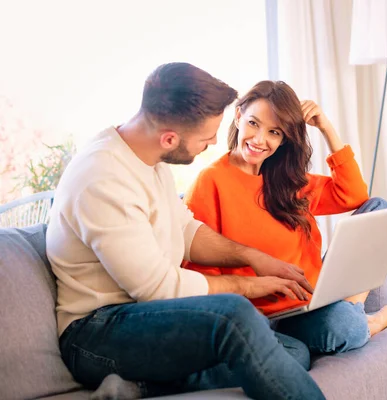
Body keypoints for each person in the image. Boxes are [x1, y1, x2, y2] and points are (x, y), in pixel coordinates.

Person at [46, 63, 325, 400]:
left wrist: (253, 257)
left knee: (292, 353)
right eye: (206, 138)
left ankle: (137, 387)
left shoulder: (147, 157)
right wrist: (248, 285)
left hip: (143, 316)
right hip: (96, 333)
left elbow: (185, 230)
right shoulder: (103, 180)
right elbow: (159, 288)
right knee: (236, 316)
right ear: (170, 138)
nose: (212, 144)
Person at [183, 80, 387, 356]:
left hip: (314, 298)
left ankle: (353, 306)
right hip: (270, 316)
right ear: (239, 116)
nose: (259, 140)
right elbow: (200, 270)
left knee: (380, 207)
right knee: (344, 327)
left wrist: (326, 127)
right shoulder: (211, 181)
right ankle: (366, 320)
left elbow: (354, 195)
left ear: (284, 138)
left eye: (274, 132)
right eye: (253, 123)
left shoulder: (285, 179)